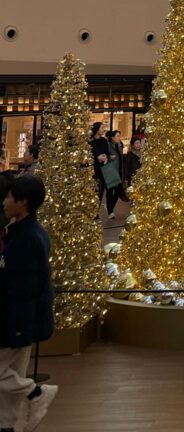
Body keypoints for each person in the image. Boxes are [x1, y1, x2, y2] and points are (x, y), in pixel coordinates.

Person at [0, 175, 57, 432]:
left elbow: (26, 287)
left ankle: (35, 393)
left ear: (22, 202)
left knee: (6, 373)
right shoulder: (21, 232)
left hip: (17, 319)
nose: (4, 202)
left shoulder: (26, 238)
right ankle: (8, 424)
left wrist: (19, 326)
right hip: (20, 318)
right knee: (12, 373)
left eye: (9, 197)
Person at [90, 122, 118, 219]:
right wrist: (97, 158)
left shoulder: (103, 140)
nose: (104, 129)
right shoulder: (90, 141)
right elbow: (89, 155)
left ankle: (110, 210)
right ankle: (95, 212)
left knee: (113, 188)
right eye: (102, 127)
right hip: (97, 169)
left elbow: (106, 152)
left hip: (107, 167)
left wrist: (106, 157)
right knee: (98, 191)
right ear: (97, 129)